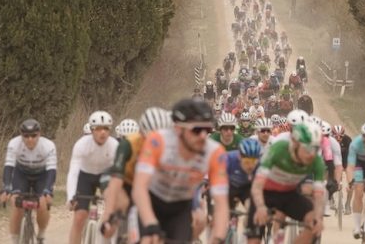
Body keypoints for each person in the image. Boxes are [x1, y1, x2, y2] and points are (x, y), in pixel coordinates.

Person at [134, 98, 229, 244]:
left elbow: (221, 202)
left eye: (207, 130)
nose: (203, 136)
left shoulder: (215, 152)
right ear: (178, 129)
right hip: (152, 202)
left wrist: (218, 238)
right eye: (197, 130)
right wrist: (150, 223)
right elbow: (139, 186)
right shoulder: (158, 141)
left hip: (181, 208)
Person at [99, 108, 173, 240]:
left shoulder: (169, 146)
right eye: (148, 138)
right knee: (122, 203)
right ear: (141, 133)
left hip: (148, 183)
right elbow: (116, 179)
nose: (153, 143)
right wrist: (108, 212)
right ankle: (113, 235)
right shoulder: (128, 144)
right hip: (125, 180)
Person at [247, 123, 327, 244]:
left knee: (314, 221)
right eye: (308, 148)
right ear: (295, 143)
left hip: (289, 195)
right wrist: (260, 206)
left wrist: (318, 217)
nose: (312, 154)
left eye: (316, 149)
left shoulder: (316, 161)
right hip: (265, 193)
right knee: (253, 240)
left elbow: (319, 194)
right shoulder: (279, 149)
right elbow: (257, 185)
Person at [0, 119, 57, 244]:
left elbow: (52, 170)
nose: (30, 139)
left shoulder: (48, 146)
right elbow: (9, 167)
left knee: (42, 204)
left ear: (39, 134)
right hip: (22, 175)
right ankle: (15, 240)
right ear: (21, 135)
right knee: (16, 204)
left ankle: (41, 234)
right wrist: (6, 188)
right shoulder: (14, 144)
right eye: (26, 136)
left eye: (33, 135)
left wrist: (48, 190)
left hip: (42, 175)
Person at [66, 111, 119, 244]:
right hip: (85, 176)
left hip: (105, 176)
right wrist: (71, 196)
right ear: (92, 130)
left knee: (111, 210)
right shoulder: (81, 145)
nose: (102, 132)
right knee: (79, 218)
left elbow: (118, 174)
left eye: (106, 128)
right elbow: (73, 172)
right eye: (98, 129)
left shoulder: (114, 146)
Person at [228, 138, 263, 210]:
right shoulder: (228, 159)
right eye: (247, 161)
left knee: (252, 210)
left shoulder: (260, 165)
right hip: (229, 186)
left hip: (246, 188)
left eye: (254, 161)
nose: (250, 166)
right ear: (239, 157)